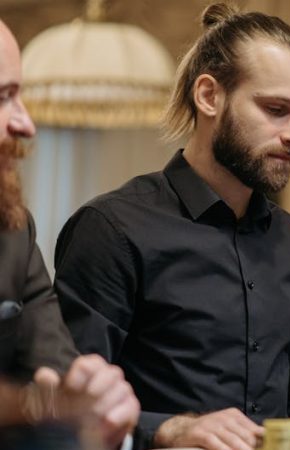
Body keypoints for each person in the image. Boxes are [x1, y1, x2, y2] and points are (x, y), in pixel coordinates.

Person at [53, 4, 290, 450]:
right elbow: (70, 406)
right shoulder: (111, 230)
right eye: (276, 109)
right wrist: (174, 430)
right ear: (209, 96)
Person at [0, 18, 140, 449]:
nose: (26, 124)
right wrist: (37, 407)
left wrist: (102, 404)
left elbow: (62, 377)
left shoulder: (14, 232)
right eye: (4, 97)